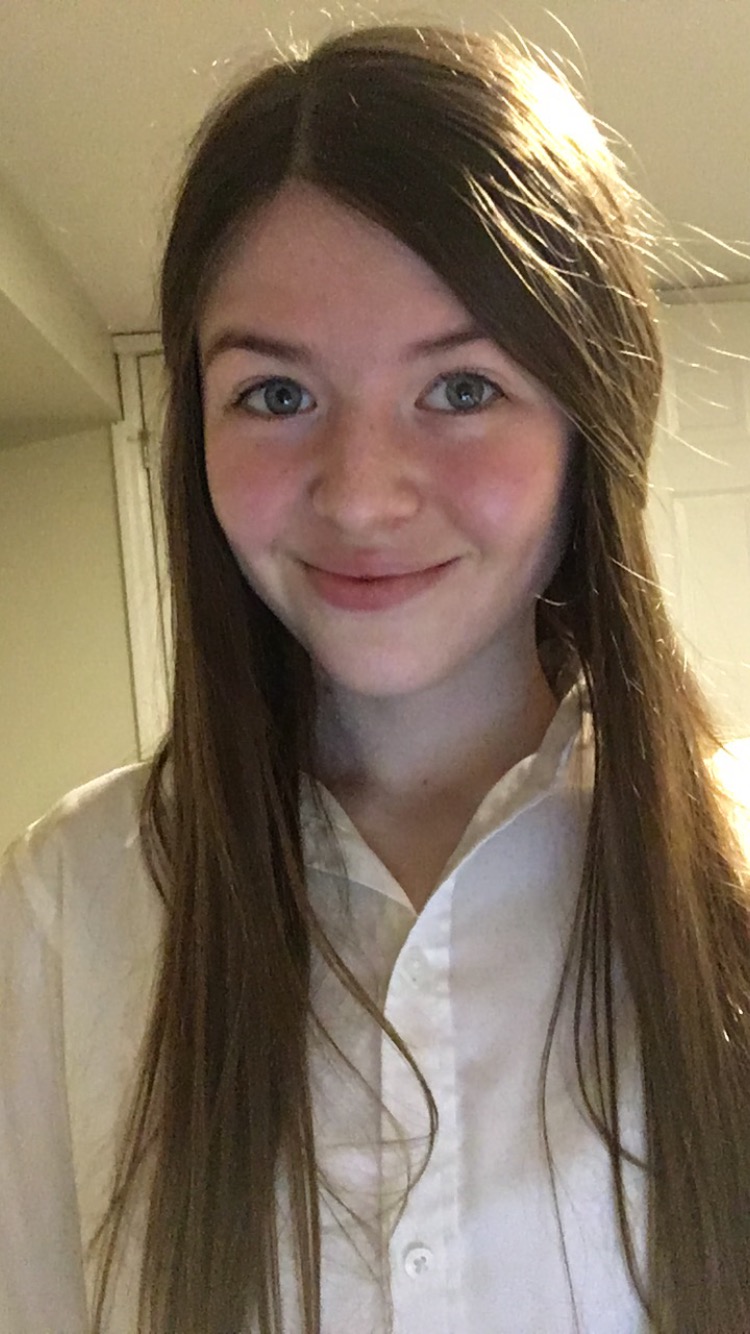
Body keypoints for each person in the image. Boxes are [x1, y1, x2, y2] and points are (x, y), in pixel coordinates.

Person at [1, 21, 749, 1334]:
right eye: (276, 396)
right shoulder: (73, 901)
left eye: (459, 387)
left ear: (588, 421)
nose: (358, 494)